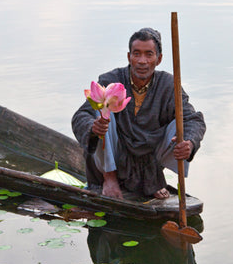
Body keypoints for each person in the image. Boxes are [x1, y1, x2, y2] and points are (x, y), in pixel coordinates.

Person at [71, 27, 206, 200]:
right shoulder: (110, 80)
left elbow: (194, 120)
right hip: (116, 155)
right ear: (129, 57)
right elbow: (80, 116)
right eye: (137, 54)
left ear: (158, 59)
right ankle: (110, 179)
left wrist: (190, 142)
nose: (142, 61)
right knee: (103, 114)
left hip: (150, 157)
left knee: (179, 125)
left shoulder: (168, 85)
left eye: (149, 54)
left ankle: (152, 181)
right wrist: (93, 128)